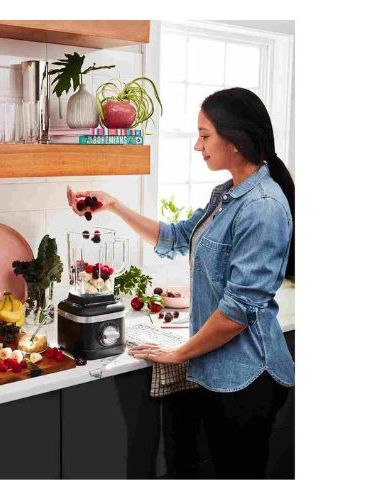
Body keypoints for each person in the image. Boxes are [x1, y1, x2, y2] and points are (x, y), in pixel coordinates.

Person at [66, 87, 295, 479]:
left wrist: (179, 353)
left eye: (205, 136)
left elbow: (238, 312)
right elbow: (175, 237)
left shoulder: (263, 207)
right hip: (218, 371)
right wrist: (113, 205)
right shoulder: (227, 195)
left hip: (248, 377)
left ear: (235, 141)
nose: (197, 146)